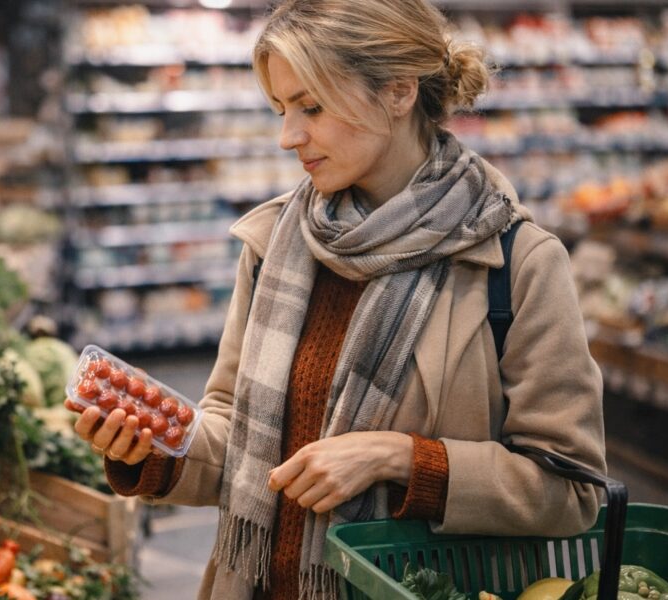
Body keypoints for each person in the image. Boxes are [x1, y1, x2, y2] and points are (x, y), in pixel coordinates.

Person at [65, 0, 607, 598]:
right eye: (281, 109)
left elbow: (571, 492)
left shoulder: (517, 262)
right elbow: (240, 444)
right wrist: (154, 447)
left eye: (311, 107)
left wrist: (399, 457)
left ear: (399, 91)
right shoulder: (275, 245)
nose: (287, 137)